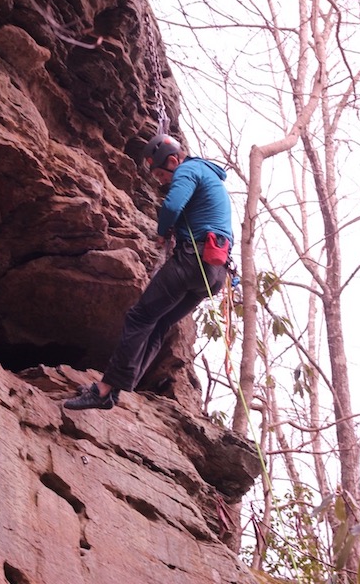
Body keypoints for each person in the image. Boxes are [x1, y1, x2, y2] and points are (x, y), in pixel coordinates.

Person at [63, 133, 233, 410]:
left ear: (173, 161)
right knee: (160, 323)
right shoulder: (210, 177)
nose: (159, 180)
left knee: (139, 317)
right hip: (215, 274)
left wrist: (163, 230)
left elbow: (173, 205)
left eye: (159, 173)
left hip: (193, 261)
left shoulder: (188, 169)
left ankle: (104, 390)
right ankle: (115, 389)